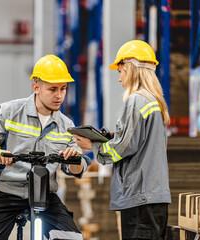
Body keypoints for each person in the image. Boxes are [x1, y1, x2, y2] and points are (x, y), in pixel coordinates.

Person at [0, 54, 91, 240]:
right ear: (36, 87)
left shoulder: (66, 125)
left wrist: (75, 158)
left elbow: (77, 168)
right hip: (7, 192)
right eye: (52, 89)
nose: (59, 95)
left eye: (63, 89)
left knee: (73, 238)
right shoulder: (9, 112)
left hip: (45, 195)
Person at [73, 40, 171, 240]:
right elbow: (139, 142)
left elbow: (125, 147)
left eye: (121, 72)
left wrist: (93, 146)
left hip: (139, 198)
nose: (119, 79)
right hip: (155, 198)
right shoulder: (155, 102)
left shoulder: (136, 100)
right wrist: (111, 138)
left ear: (131, 69)